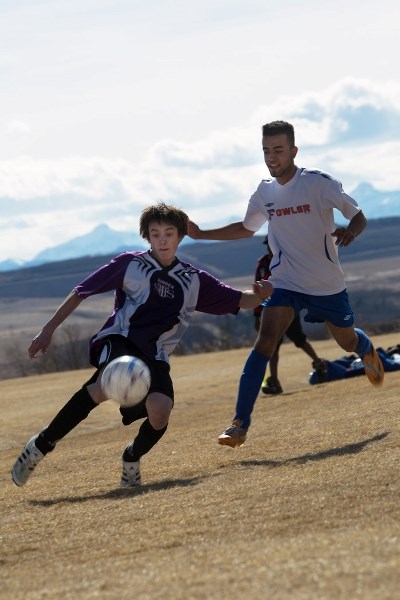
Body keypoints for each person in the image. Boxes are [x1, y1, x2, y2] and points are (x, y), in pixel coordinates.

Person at [11, 202, 273, 488]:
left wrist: (258, 295)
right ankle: (39, 446)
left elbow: (239, 300)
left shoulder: (193, 280)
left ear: (180, 236)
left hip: (156, 354)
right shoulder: (130, 264)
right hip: (119, 340)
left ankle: (131, 458)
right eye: (155, 233)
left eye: (169, 233)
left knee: (160, 413)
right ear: (147, 236)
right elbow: (80, 292)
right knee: (102, 387)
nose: (162, 239)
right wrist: (48, 330)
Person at [188, 120, 384, 448]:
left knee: (346, 343)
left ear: (293, 151)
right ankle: (239, 424)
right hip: (284, 281)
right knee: (265, 341)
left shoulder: (319, 183)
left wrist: (351, 231)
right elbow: (245, 228)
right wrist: (200, 234)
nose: (271, 156)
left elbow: (358, 215)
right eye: (266, 150)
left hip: (325, 284)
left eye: (278, 150)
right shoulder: (264, 192)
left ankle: (366, 350)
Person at [254, 235, 327, 394]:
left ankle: (318, 362)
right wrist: (257, 315)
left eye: (271, 244)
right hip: (271, 310)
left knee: (299, 339)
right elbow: (258, 290)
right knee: (273, 346)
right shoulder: (263, 264)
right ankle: (274, 381)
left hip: (288, 308)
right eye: (267, 245)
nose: (268, 248)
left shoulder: (287, 261)